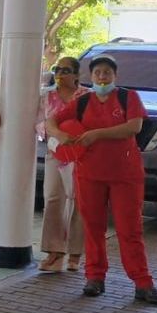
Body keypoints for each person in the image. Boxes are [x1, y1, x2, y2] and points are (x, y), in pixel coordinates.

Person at [46, 55, 157, 305]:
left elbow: (133, 127)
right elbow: (51, 121)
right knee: (93, 227)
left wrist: (96, 134)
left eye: (107, 72)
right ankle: (95, 278)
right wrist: (60, 135)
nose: (102, 76)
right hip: (90, 174)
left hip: (125, 175)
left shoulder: (128, 97)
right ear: (91, 76)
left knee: (129, 229)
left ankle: (143, 283)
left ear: (115, 76)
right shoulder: (83, 101)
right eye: (98, 72)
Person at [38, 56, 90, 273]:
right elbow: (40, 123)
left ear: (77, 75)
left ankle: (75, 253)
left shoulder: (87, 97)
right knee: (52, 198)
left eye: (66, 70)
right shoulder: (46, 96)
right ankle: (54, 252)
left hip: (82, 155)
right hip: (56, 153)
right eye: (57, 69)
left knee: (79, 201)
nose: (60, 73)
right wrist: (58, 135)